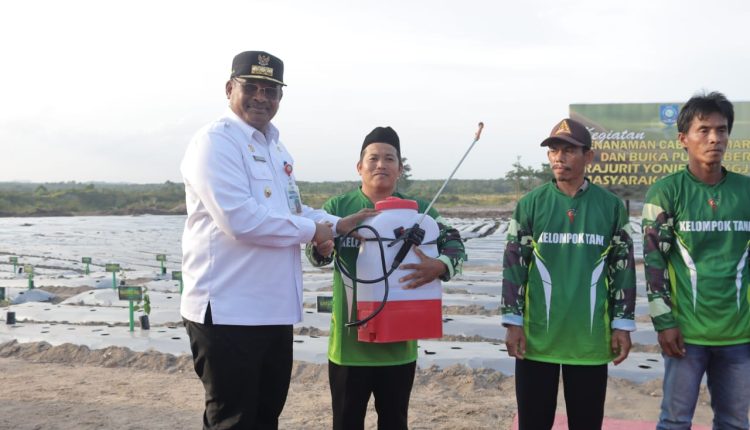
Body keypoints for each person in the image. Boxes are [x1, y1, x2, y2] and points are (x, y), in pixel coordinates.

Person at [179, 50, 372, 429]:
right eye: (252, 87)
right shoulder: (215, 142)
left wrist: (338, 224)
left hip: (273, 310)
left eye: (271, 90)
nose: (261, 97)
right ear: (229, 88)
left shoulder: (275, 147)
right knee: (232, 420)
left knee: (266, 416)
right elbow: (239, 220)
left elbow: (293, 210)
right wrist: (313, 232)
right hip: (228, 310)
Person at [306, 126, 466, 430]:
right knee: (345, 422)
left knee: (395, 422)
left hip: (399, 345)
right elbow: (314, 256)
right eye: (373, 158)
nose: (381, 164)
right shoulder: (338, 208)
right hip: (348, 346)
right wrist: (322, 247)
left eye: (389, 159)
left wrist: (440, 266)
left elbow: (455, 244)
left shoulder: (419, 211)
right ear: (359, 166)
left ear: (400, 169)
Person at [501, 118, 636, 430]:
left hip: (589, 339)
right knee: (533, 423)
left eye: (568, 150)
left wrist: (622, 325)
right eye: (554, 151)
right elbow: (514, 266)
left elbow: (623, 269)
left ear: (588, 156)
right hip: (537, 339)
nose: (559, 157)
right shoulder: (531, 204)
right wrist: (512, 323)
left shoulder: (611, 206)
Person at [642, 92, 750, 429]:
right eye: (704, 130)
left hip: (739, 336)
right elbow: (654, 265)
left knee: (735, 422)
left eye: (722, 130)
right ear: (683, 139)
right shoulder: (666, 192)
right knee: (675, 421)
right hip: (685, 336)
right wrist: (664, 323)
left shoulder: (746, 191)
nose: (714, 138)